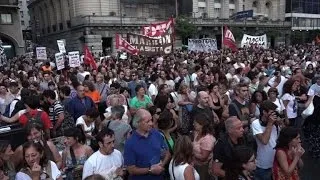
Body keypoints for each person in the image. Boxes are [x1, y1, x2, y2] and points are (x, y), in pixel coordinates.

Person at [124, 109, 171, 180]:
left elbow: (167, 153)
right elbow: (131, 170)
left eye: (151, 120)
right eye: (147, 121)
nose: (151, 123)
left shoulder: (156, 134)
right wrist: (150, 170)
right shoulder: (130, 143)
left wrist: (161, 166)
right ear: (138, 122)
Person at [251, 100, 280, 180]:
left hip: (276, 162)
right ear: (264, 112)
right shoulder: (256, 123)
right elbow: (264, 141)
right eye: (271, 112)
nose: (273, 114)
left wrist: (279, 123)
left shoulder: (275, 124)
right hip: (263, 165)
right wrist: (270, 123)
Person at [192, 113, 216, 180]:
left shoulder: (208, 139)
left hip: (202, 168)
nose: (193, 124)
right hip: (195, 164)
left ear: (202, 125)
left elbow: (203, 158)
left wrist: (191, 152)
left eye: (195, 123)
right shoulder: (197, 132)